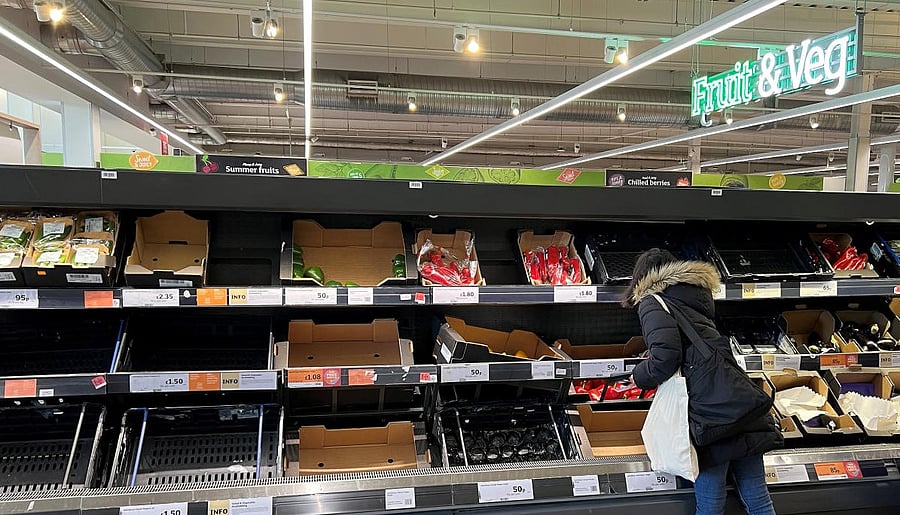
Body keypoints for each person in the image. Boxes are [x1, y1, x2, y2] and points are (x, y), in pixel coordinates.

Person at [623, 248, 783, 515]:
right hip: (740, 406)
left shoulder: (653, 301)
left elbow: (666, 357)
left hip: (711, 418)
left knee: (710, 506)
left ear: (641, 278)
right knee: (758, 499)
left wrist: (638, 375)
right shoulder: (697, 296)